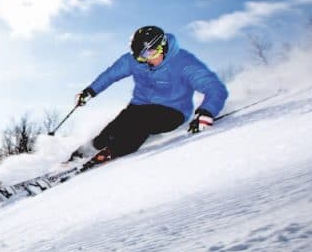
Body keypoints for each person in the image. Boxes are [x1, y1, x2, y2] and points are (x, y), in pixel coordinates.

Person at [70, 25, 228, 164]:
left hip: (173, 111)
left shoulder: (183, 63)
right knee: (117, 125)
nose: (147, 60)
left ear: (163, 47)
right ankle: (85, 152)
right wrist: (90, 91)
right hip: (139, 106)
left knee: (141, 122)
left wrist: (207, 112)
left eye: (151, 54)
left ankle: (114, 151)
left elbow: (215, 88)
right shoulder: (134, 61)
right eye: (141, 56)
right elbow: (110, 75)